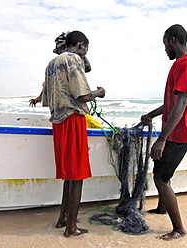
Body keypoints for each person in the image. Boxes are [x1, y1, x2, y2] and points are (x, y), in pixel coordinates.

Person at [42, 31, 106, 237]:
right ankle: (71, 227)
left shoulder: (51, 63)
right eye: (85, 48)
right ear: (80, 45)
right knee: (77, 174)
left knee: (68, 174)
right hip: (72, 119)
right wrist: (99, 92)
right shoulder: (72, 59)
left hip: (57, 121)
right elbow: (82, 95)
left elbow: (47, 99)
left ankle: (63, 218)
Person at [141, 24, 187, 241]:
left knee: (161, 178)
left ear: (173, 40)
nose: (165, 48)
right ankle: (161, 208)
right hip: (176, 131)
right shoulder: (179, 64)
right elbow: (173, 102)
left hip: (179, 133)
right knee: (163, 173)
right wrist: (152, 114)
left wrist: (162, 138)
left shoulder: (185, 64)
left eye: (165, 44)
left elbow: (182, 103)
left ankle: (179, 229)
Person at [29, 32, 91, 107]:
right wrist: (38, 98)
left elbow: (87, 68)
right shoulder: (59, 64)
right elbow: (49, 85)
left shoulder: (62, 62)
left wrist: (81, 55)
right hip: (70, 110)